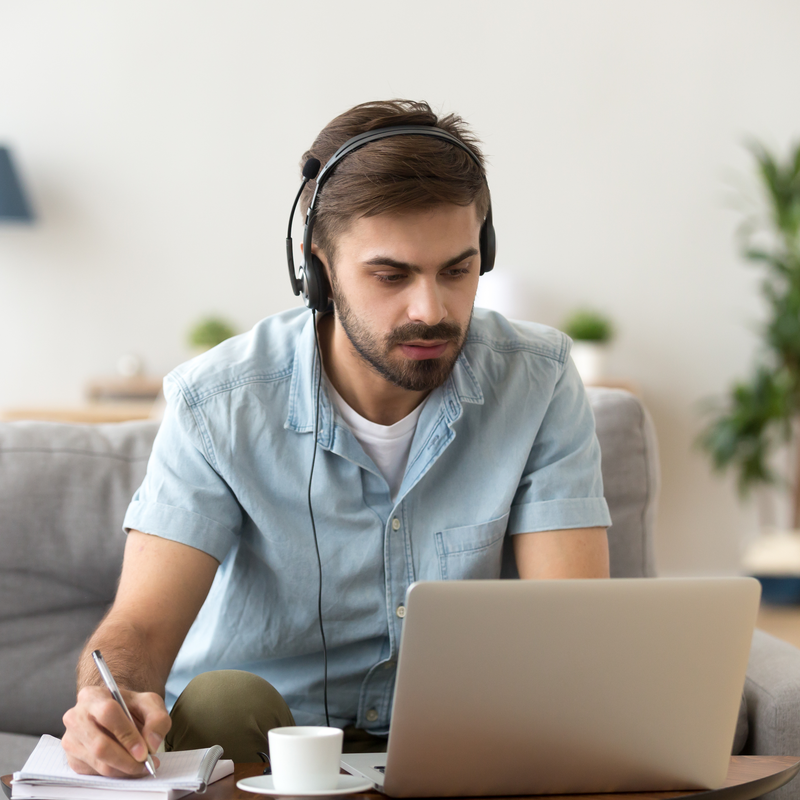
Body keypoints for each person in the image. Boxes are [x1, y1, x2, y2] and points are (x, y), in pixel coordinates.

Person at [61, 99, 611, 777]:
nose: (431, 310)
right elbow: (142, 631)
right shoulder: (216, 404)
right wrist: (104, 704)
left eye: (457, 271)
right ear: (317, 267)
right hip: (260, 745)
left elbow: (575, 626)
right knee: (224, 699)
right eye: (390, 275)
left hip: (455, 747)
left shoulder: (541, 382)